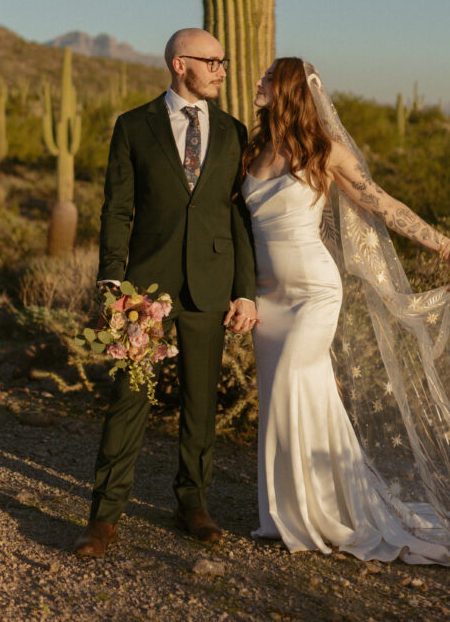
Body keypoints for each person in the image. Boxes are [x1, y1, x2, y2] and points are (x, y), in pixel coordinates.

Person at [241, 57, 450, 581]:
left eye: (268, 78)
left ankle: (330, 515)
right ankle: (292, 513)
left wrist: (445, 244)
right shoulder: (254, 150)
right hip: (268, 297)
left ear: (291, 88)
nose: (258, 83)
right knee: (286, 392)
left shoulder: (326, 151)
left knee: (299, 380)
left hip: (315, 292)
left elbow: (383, 204)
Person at [73, 28, 257, 557]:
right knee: (129, 401)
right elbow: (118, 208)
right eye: (212, 61)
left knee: (200, 404)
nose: (222, 69)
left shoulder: (232, 130)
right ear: (181, 64)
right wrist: (112, 277)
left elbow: (237, 214)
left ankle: (191, 504)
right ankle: (104, 517)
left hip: (211, 286)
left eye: (224, 61)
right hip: (145, 289)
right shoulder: (134, 126)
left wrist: (244, 290)